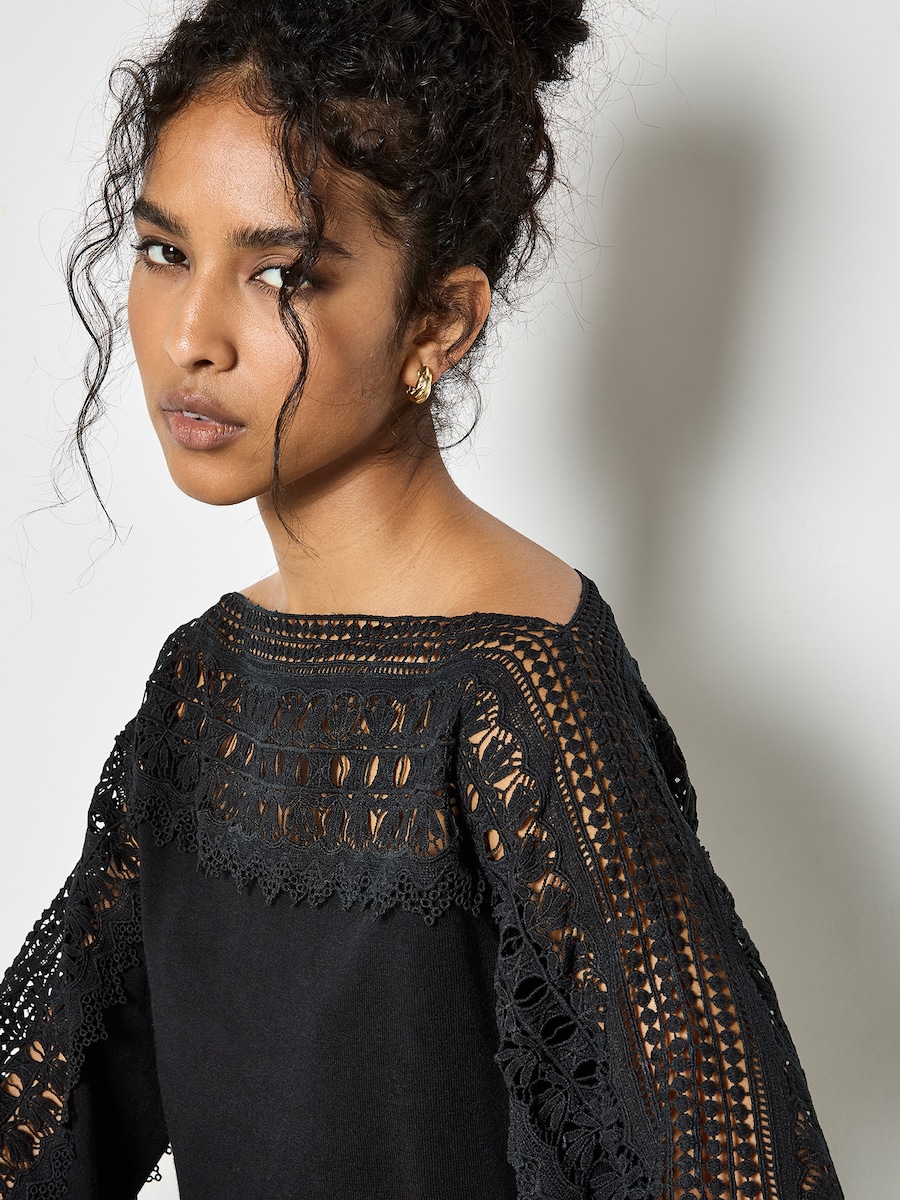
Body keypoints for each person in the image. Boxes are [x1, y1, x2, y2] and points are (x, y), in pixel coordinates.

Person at [0, 1, 843, 1197]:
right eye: (165, 251)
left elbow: (737, 1164)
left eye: (280, 274)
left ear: (437, 321)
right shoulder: (204, 685)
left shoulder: (516, 697)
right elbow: (42, 1113)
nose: (191, 337)